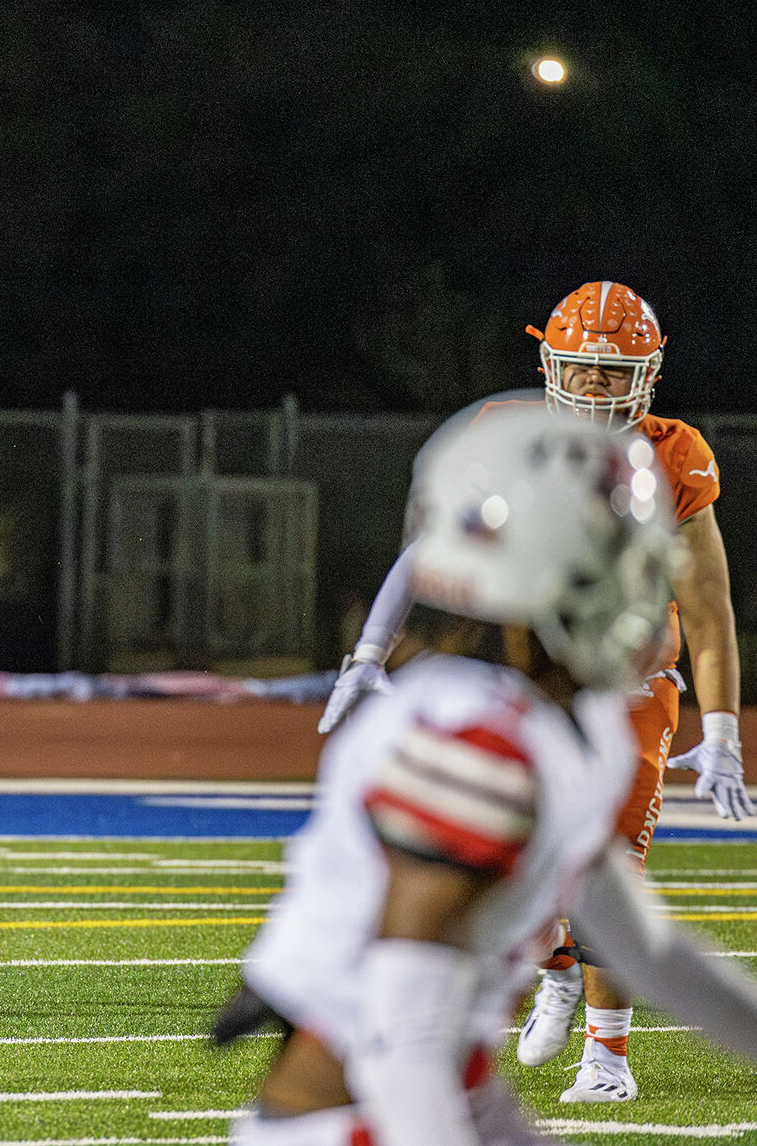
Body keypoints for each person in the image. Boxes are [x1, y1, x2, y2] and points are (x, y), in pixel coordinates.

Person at [223, 405, 757, 1146]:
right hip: (356, 1114)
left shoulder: (573, 726)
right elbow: (400, 1029)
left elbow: (646, 947)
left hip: (449, 1086)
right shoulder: (476, 741)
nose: (647, 600)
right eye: (620, 569)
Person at [318, 280, 744, 1103]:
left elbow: (707, 604)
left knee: (594, 868)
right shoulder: (465, 730)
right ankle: (558, 975)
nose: (594, 389)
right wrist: (369, 653)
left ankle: (602, 1047)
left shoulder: (668, 456)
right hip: (375, 1093)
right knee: (542, 882)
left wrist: (719, 724)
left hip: (413, 1076)